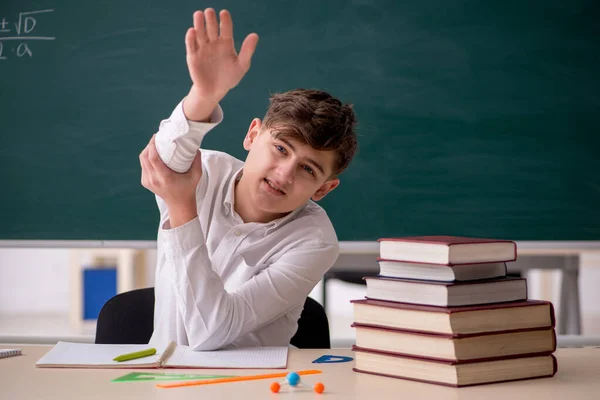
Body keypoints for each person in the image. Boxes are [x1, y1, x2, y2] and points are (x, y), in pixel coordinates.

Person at [139, 8, 357, 350]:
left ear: (324, 189)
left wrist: (182, 208)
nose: (284, 174)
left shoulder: (314, 241)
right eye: (281, 149)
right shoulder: (205, 171)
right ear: (253, 135)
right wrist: (204, 95)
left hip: (253, 385)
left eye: (308, 169)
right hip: (160, 377)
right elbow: (164, 157)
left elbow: (211, 332)